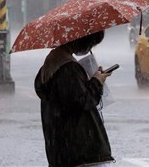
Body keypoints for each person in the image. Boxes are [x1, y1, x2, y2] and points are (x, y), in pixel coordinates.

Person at [34, 30, 115, 167]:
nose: (89, 49)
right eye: (91, 44)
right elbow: (84, 102)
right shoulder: (68, 68)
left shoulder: (53, 64)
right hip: (81, 152)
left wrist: (91, 79)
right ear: (82, 40)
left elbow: (71, 99)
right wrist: (96, 82)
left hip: (63, 152)